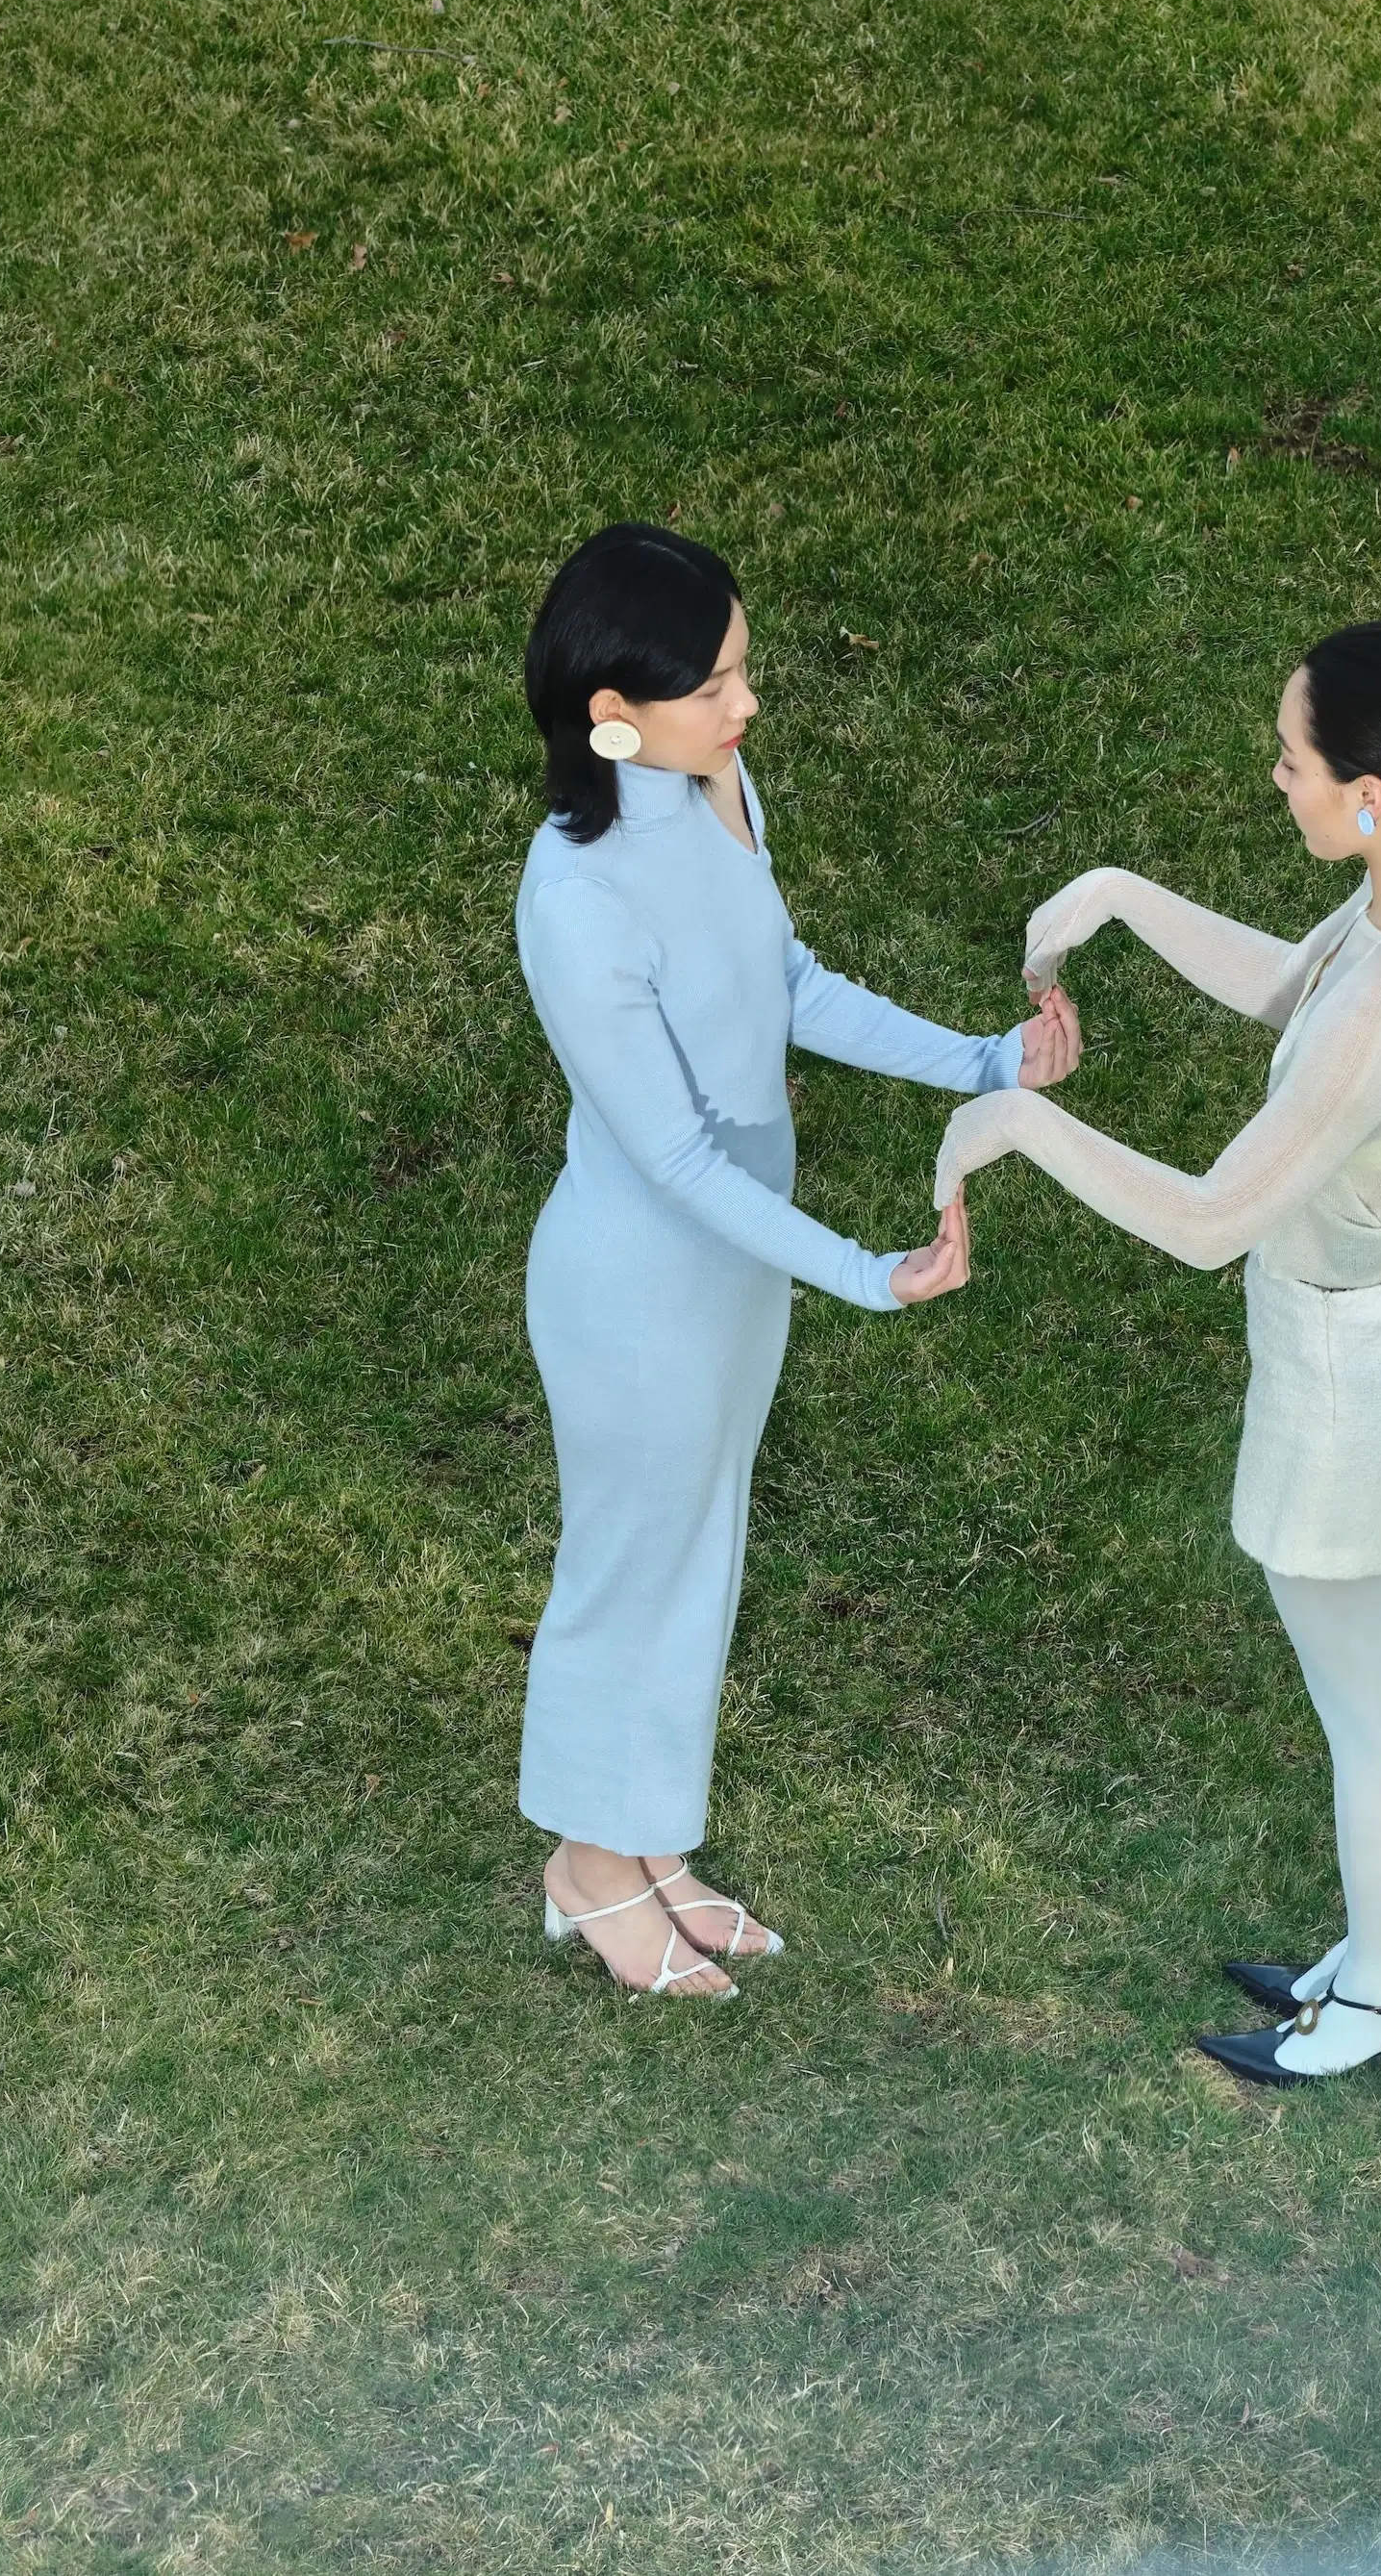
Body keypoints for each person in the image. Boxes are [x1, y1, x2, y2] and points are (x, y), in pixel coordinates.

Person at [936, 621, 1381, 2083]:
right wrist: (1124, 900)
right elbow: (1304, 986)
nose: (1276, 780)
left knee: (1372, 1705)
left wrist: (1013, 1123)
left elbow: (1212, 1220)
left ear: (1373, 792)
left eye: (1290, 760)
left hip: (1361, 1384)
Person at [513, 522, 1083, 1999]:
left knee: (702, 1552)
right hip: (639, 1286)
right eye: (718, 685)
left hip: (733, 1268)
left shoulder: (716, 788)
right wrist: (865, 1269)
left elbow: (787, 985)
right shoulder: (574, 901)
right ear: (612, 717)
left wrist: (983, 1060)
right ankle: (583, 1867)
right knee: (630, 1562)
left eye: (744, 669)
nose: (748, 704)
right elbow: (682, 1161)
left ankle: (646, 1847)